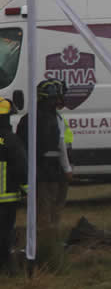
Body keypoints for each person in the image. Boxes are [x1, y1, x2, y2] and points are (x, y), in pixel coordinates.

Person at [17, 79, 72, 232]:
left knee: (45, 210)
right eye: (59, 97)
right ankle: (46, 244)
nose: (61, 100)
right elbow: (60, 144)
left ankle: (48, 241)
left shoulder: (28, 118)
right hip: (50, 172)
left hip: (42, 172)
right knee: (50, 211)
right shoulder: (51, 119)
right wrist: (67, 168)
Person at [0, 98, 27, 276]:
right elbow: (21, 168)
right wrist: (28, 190)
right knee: (4, 232)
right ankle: (6, 267)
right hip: (6, 199)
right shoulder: (11, 140)